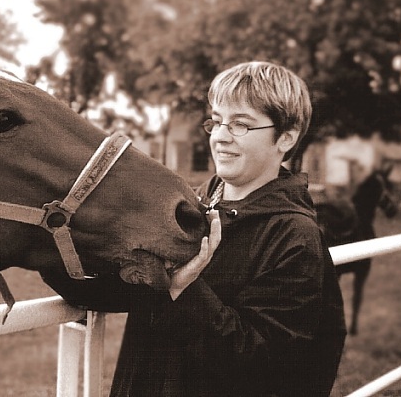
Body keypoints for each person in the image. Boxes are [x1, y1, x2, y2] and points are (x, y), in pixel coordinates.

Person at [43, 61, 346, 396]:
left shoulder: (294, 237)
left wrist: (185, 290)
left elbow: (267, 366)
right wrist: (47, 246)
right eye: (217, 121)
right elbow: (116, 291)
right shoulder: (188, 209)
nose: (220, 137)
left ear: (285, 138)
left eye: (240, 125)